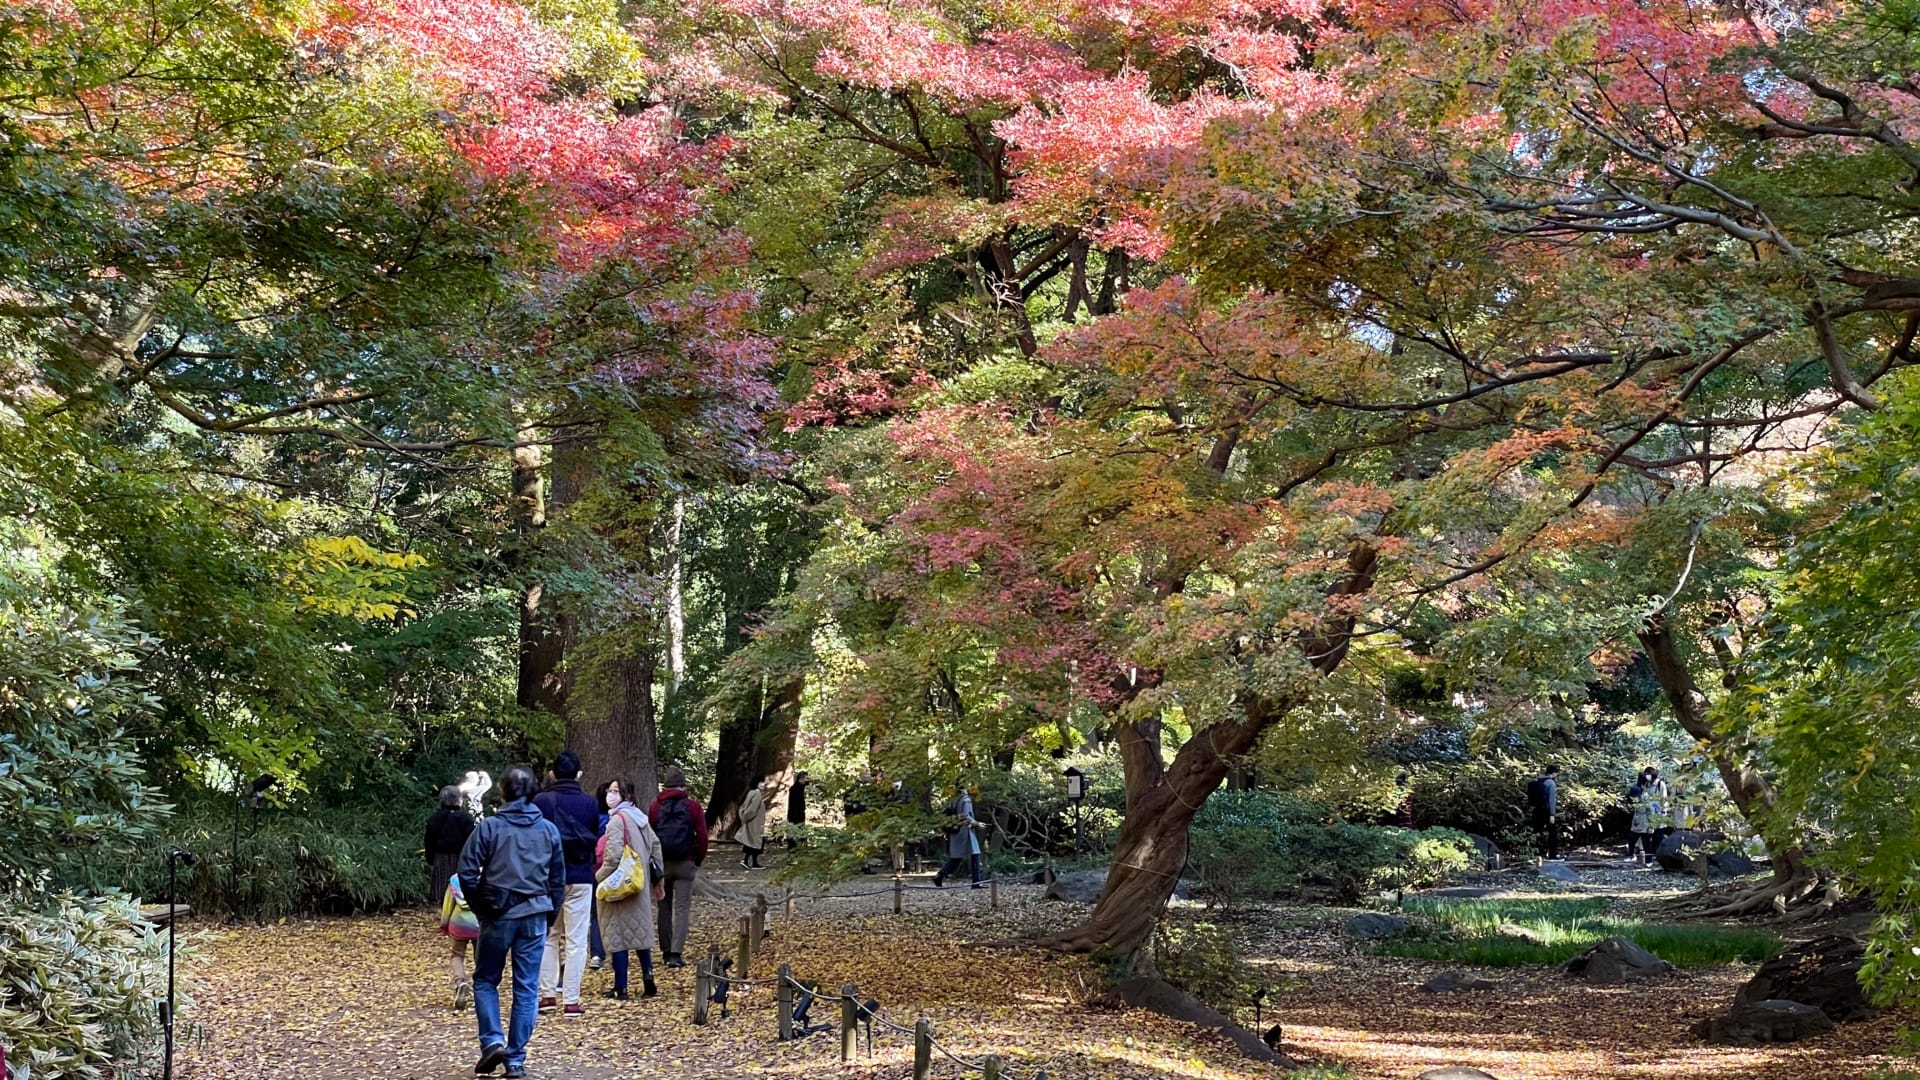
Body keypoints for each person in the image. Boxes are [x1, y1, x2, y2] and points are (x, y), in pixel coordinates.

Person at [458, 765, 564, 1079]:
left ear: (502, 792)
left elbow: (466, 871)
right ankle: (515, 1059)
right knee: (527, 989)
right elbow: (557, 881)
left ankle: (492, 1041)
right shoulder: (548, 830)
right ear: (533, 792)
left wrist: (480, 906)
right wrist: (549, 914)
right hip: (534, 916)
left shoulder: (490, 828)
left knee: (486, 980)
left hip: (497, 914)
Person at [532, 750, 599, 1017]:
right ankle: (571, 999)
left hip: (548, 878)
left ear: (552, 774)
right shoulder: (590, 803)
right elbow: (593, 835)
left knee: (549, 936)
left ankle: (547, 995)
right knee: (576, 940)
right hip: (581, 877)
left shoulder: (541, 801)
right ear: (579, 774)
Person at [595, 777, 665, 1000]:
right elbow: (655, 845)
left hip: (620, 885)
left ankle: (621, 986)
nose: (610, 795)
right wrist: (657, 877)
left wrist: (600, 877)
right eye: (609, 790)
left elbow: (613, 855)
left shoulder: (617, 820)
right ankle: (648, 978)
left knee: (618, 936)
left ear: (625, 795)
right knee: (640, 932)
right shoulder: (639, 817)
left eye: (616, 791)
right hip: (639, 881)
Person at [647, 766, 709, 968]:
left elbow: (651, 836)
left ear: (664, 785)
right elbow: (702, 837)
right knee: (682, 908)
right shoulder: (693, 807)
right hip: (685, 862)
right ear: (683, 785)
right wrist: (696, 860)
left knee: (663, 906)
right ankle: (676, 953)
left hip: (662, 863)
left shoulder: (655, 807)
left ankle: (665, 951)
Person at [426, 785, 478, 1008]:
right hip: (461, 859)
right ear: (458, 800)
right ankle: (480, 982)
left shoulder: (435, 818)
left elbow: (428, 840)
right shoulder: (466, 820)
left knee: (444, 889)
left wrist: (430, 857)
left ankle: (445, 912)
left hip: (441, 856)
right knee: (461, 884)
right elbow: (473, 841)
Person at [932, 782, 983, 889]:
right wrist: (977, 823)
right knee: (975, 855)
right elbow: (965, 816)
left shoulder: (953, 799)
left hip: (955, 830)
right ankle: (976, 882)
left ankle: (940, 875)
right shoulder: (966, 799)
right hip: (966, 831)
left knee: (957, 857)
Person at [1526, 765, 1561, 861]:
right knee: (1553, 833)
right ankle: (1552, 855)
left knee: (1537, 832)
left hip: (1537, 810)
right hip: (1546, 811)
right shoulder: (1551, 783)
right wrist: (1552, 814)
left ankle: (1537, 854)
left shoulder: (1538, 781)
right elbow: (1551, 800)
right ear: (1554, 773)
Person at [735, 776, 769, 870]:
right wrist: (746, 817)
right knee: (754, 842)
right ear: (757, 783)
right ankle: (747, 861)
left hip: (751, 822)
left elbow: (744, 807)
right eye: (761, 782)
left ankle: (753, 862)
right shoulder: (757, 794)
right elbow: (752, 810)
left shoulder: (751, 793)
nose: (764, 784)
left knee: (752, 842)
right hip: (754, 823)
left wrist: (744, 818)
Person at [786, 770, 809, 849]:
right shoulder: (795, 789)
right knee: (795, 830)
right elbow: (796, 802)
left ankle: (799, 846)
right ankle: (794, 847)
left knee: (799, 830)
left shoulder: (799, 787)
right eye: (805, 778)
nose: (807, 780)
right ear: (801, 779)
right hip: (795, 813)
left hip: (798, 812)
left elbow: (807, 783)